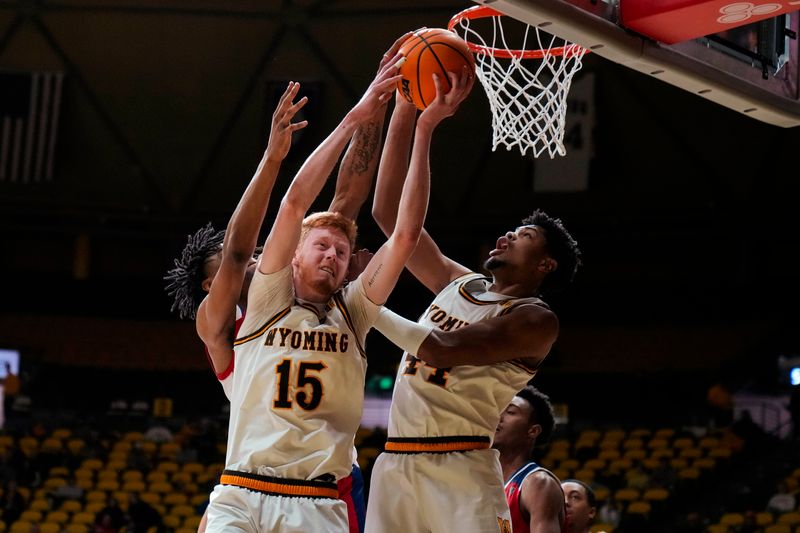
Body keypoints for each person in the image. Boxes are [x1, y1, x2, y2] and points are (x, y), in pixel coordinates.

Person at [200, 42, 473, 532]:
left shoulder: (353, 308)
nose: (331, 254)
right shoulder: (257, 304)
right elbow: (281, 216)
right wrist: (351, 118)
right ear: (291, 257)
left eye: (340, 252)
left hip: (318, 495)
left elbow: (401, 232)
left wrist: (413, 117)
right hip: (243, 489)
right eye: (321, 246)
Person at [355, 88, 581, 531]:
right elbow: (387, 214)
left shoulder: (535, 320)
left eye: (524, 236)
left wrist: (361, 301)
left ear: (545, 264)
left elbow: (439, 349)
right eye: (511, 230)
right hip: (397, 459)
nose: (508, 236)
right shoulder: (461, 283)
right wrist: (411, 116)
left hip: (459, 465)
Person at [494, 385, 565, 533]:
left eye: (510, 412)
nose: (498, 416)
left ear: (532, 431)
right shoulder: (486, 482)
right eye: (498, 410)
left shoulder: (538, 484)